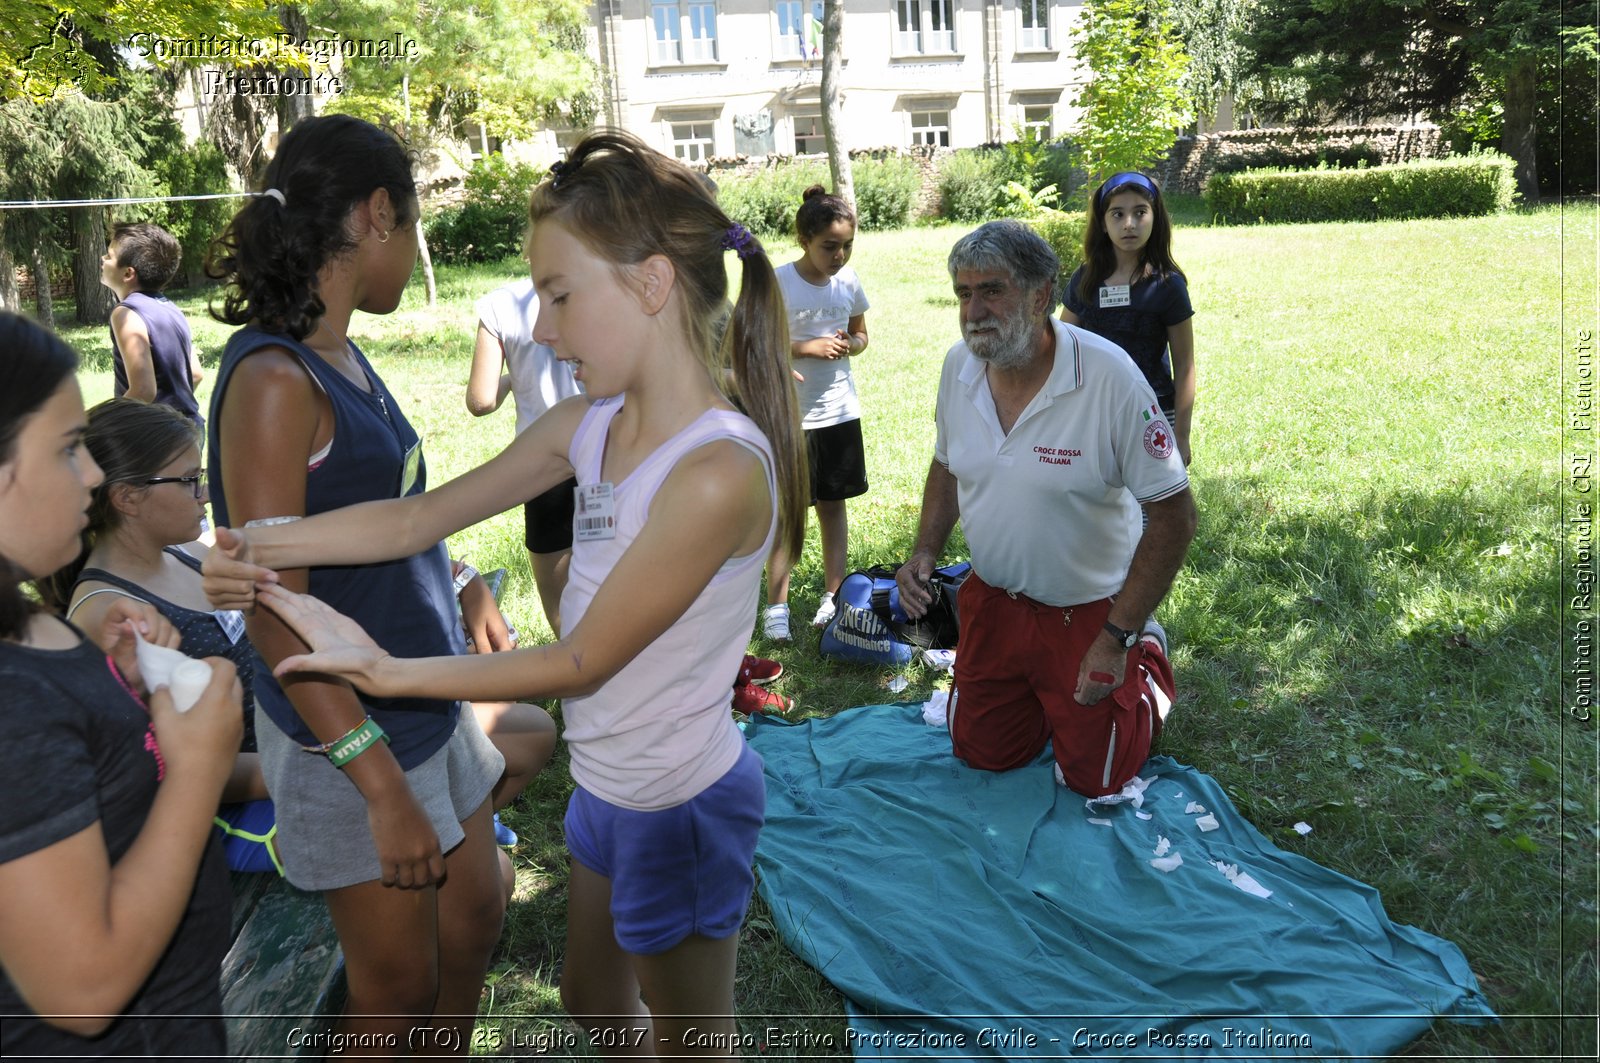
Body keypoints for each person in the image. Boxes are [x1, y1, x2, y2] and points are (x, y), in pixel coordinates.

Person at [201, 130, 807, 1059]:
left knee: (694, 1038)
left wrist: (389, 672)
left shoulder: (717, 472)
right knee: (588, 993)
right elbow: (413, 520)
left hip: (676, 800)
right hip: (608, 786)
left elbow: (579, 658)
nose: (546, 329)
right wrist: (257, 548)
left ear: (651, 285)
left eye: (559, 296)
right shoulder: (586, 424)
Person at [202, 113, 509, 1055]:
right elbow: (273, 612)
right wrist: (379, 784)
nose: (417, 252)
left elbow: (381, 518)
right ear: (378, 214)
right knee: (396, 989)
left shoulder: (340, 351)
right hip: (352, 736)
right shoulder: (274, 378)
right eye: (413, 227)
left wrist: (456, 582)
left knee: (471, 931)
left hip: (423, 691)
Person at [0, 311, 242, 1057]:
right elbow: (82, 992)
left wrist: (115, 684)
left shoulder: (31, 627)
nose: (98, 475)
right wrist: (200, 768)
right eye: (70, 449)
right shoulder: (12, 703)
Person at [895, 220, 1197, 798]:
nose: (973, 311)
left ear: (1040, 296)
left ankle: (1149, 656)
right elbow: (947, 464)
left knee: (1099, 778)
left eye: (991, 290)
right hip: (995, 604)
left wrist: (1119, 634)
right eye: (963, 293)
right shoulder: (957, 368)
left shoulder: (1109, 378)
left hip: (1089, 613)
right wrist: (925, 552)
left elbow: (1175, 516)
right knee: (982, 755)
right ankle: (1041, 694)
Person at [761, 185, 870, 641]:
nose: (839, 255)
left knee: (833, 504)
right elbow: (755, 342)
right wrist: (804, 347)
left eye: (846, 246)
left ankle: (833, 595)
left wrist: (852, 344)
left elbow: (862, 335)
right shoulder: (779, 282)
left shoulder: (848, 284)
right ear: (804, 239)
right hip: (791, 417)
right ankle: (777, 606)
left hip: (839, 412)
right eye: (830, 246)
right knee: (789, 512)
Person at [466, 277, 582, 633]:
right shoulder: (605, 282)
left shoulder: (500, 303)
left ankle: (578, 673)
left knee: (563, 610)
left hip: (543, 471)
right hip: (611, 453)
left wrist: (514, 378)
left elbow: (480, 400)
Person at [1059, 171, 1195, 466]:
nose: (1129, 224)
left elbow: (1185, 365)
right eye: (1117, 214)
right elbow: (1062, 347)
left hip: (1153, 412)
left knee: (1152, 508)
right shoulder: (1086, 280)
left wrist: (1181, 435)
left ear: (1155, 218)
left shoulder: (1168, 285)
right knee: (1102, 507)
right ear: (1104, 224)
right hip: (1095, 412)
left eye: (1140, 212)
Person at [100, 221, 206, 430]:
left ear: (128, 273)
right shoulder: (172, 309)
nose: (103, 260)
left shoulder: (126, 313)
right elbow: (195, 373)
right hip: (188, 429)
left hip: (153, 439)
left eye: (109, 256)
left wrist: (102, 422)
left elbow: (143, 391)